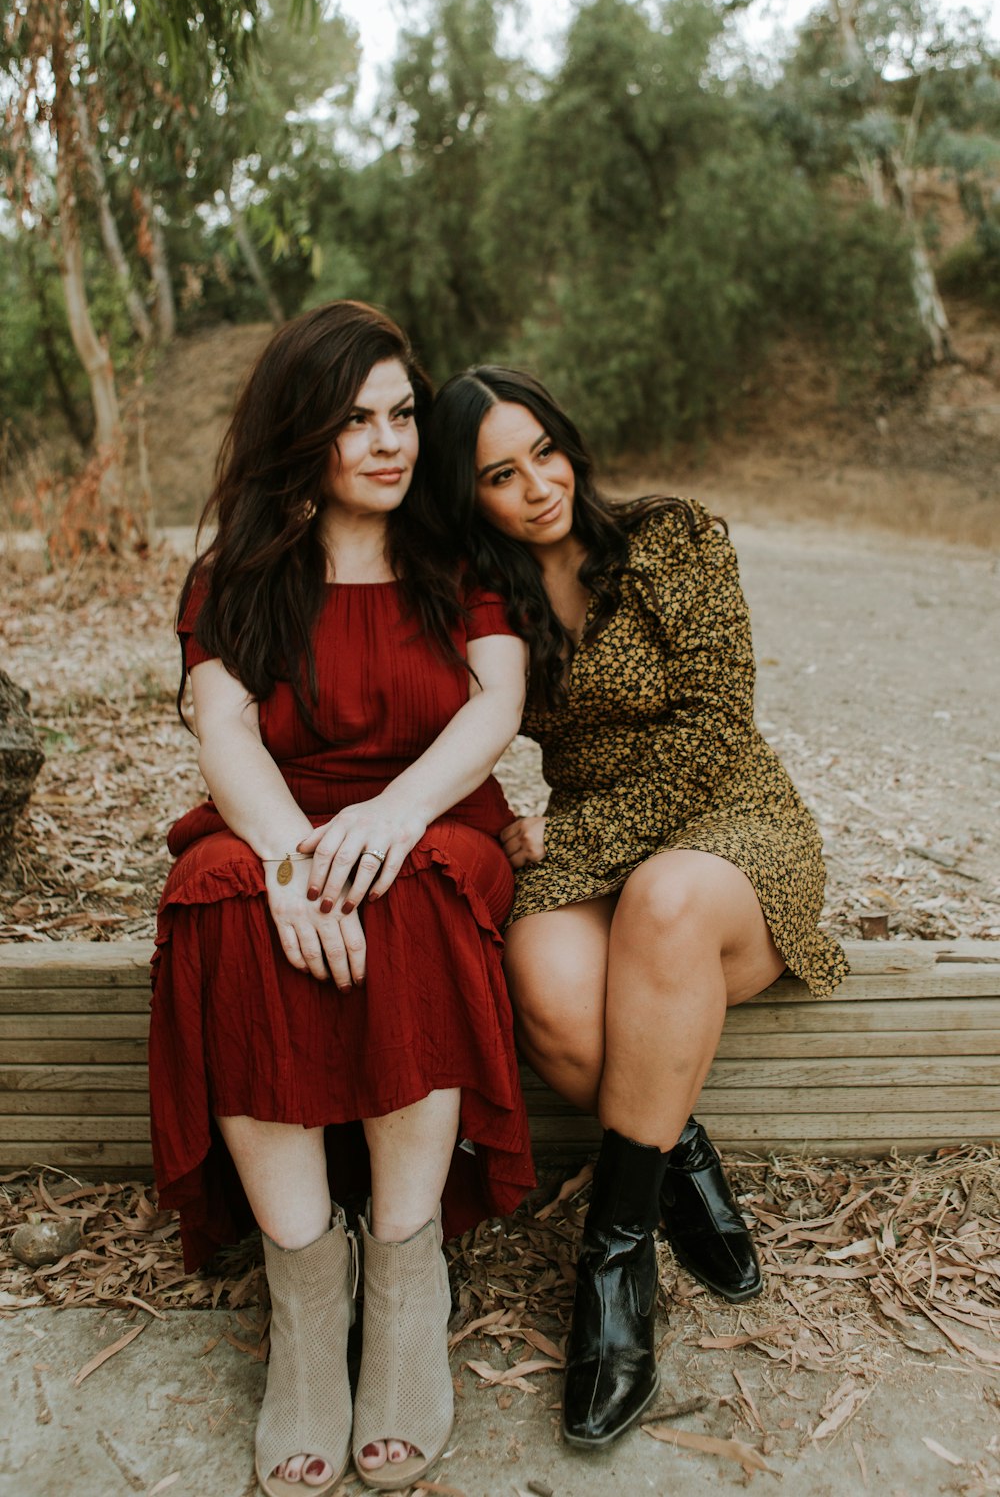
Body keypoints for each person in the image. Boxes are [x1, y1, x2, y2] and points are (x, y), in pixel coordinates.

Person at [420, 365, 848, 1449]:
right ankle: (677, 1155)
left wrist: (570, 840)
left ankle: (613, 1270)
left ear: (570, 442)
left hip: (730, 821)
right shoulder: (485, 604)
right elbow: (440, 723)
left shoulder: (671, 537)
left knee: (662, 900)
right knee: (549, 987)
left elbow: (714, 722)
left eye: (544, 453)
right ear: (468, 495)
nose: (536, 485)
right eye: (500, 474)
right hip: (593, 841)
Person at [147, 305, 535, 1497]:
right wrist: (281, 854)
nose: (387, 441)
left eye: (402, 413)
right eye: (354, 419)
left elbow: (493, 706)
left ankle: (407, 1281)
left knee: (409, 892)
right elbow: (222, 723)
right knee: (220, 899)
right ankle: (307, 1305)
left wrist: (397, 813)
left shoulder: (453, 555)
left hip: (429, 812)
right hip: (280, 810)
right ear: (302, 432)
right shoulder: (239, 573)